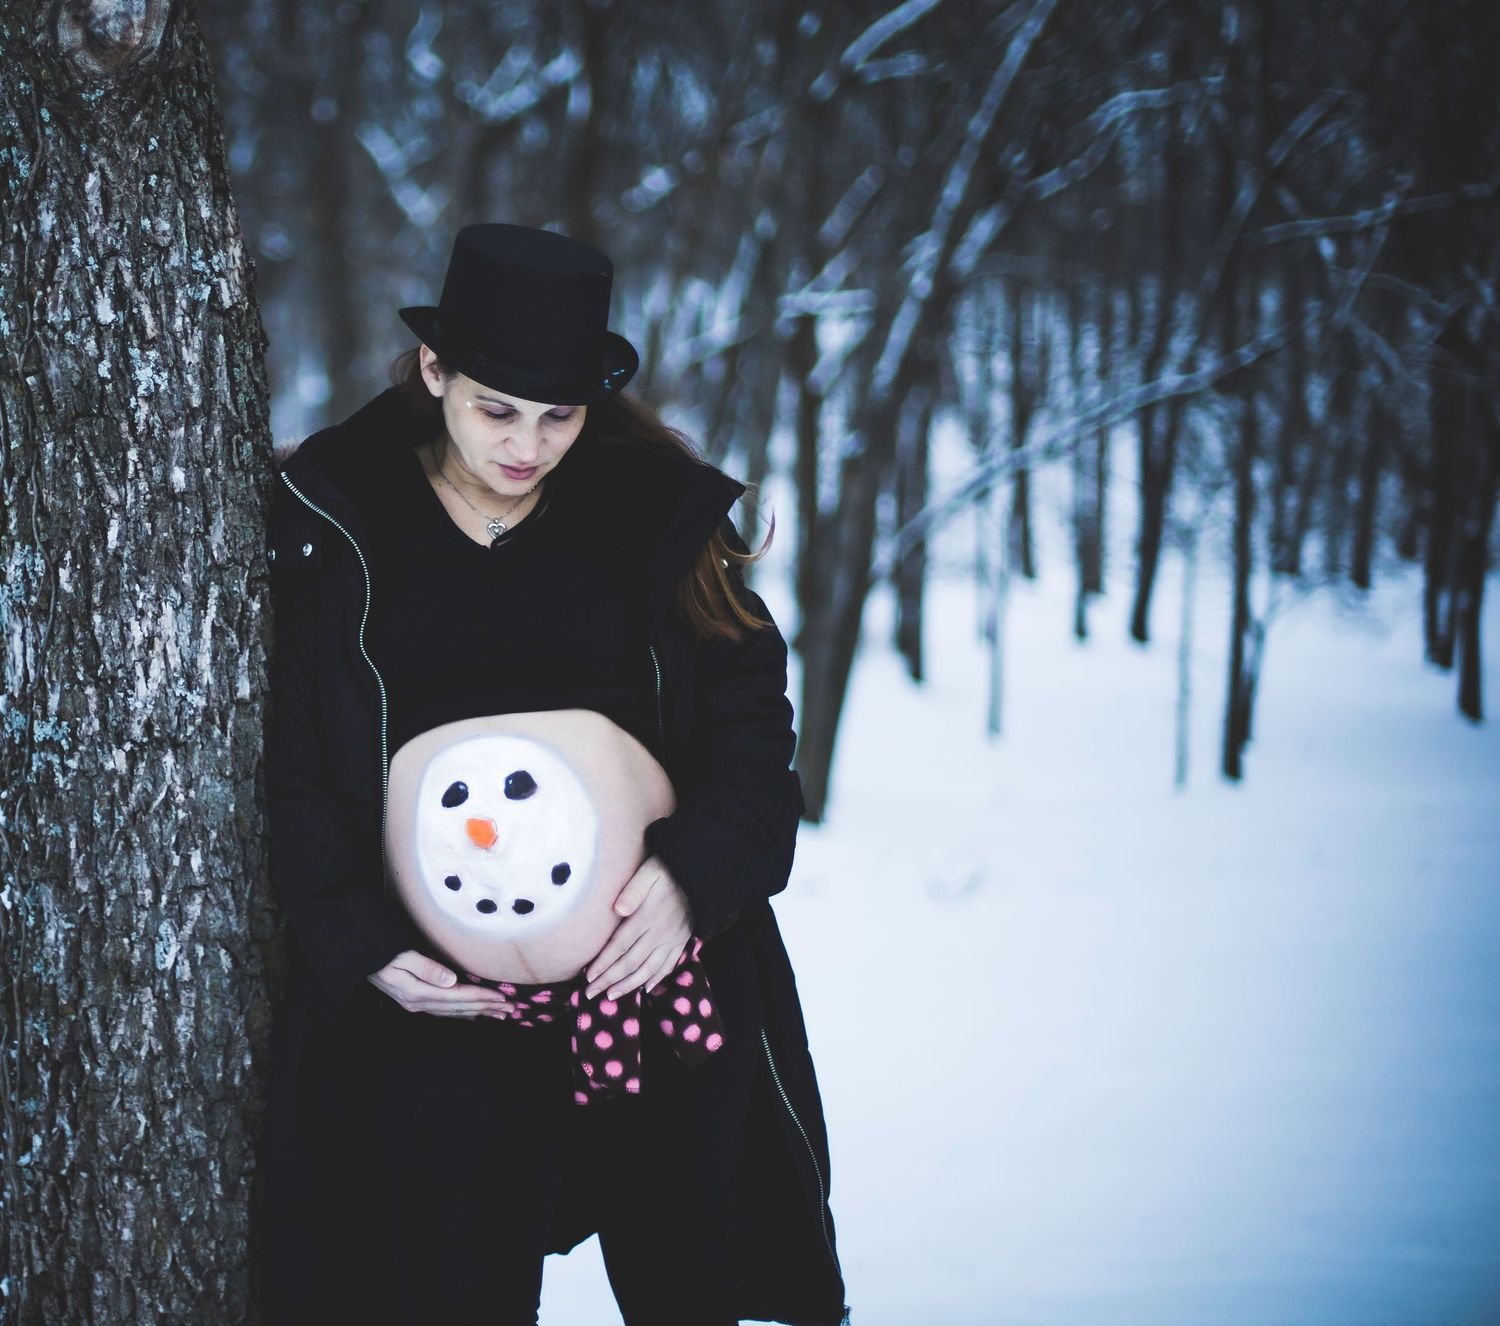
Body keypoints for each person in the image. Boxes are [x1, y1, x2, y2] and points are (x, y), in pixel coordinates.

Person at [253, 222, 851, 1326]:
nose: (527, 445)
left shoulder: (650, 518)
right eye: (496, 409)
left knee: (703, 1287)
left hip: (660, 985)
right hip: (440, 1007)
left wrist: (691, 883)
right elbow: (297, 767)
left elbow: (755, 743)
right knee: (437, 1292)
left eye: (559, 415)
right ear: (435, 372)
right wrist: (358, 942)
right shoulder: (339, 527)